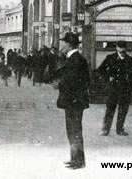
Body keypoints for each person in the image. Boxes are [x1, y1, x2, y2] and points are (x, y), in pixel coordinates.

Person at [57, 32, 90, 170]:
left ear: (69, 44)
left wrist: (60, 84)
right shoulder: (76, 58)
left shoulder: (75, 60)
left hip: (73, 101)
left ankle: (78, 161)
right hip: (74, 100)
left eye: (63, 42)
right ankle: (75, 159)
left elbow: (72, 82)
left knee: (74, 130)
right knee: (73, 130)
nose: (61, 45)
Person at [98, 41, 132, 136]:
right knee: (110, 109)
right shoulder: (110, 58)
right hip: (113, 88)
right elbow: (100, 70)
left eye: (123, 47)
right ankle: (105, 129)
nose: (122, 49)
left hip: (125, 89)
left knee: (123, 109)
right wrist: (108, 77)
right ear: (116, 48)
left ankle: (120, 129)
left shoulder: (129, 59)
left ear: (126, 48)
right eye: (120, 47)